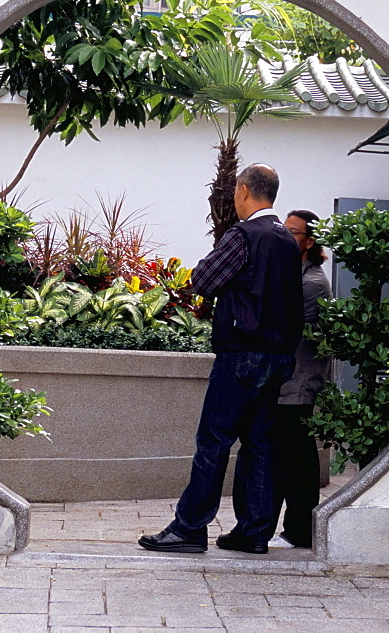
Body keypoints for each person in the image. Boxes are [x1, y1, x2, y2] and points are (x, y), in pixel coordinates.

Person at [138, 164, 304, 555]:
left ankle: (190, 528)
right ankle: (253, 531)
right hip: (278, 356)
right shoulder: (286, 239)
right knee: (259, 443)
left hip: (242, 352)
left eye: (235, 193)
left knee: (214, 440)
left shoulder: (244, 234)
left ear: (244, 191)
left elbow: (204, 279)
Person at [268, 209, 333, 549]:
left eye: (293, 233)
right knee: (291, 455)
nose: (285, 236)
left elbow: (283, 326)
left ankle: (299, 532)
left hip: (299, 383)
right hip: (288, 382)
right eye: (284, 229)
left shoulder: (312, 284)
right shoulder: (293, 274)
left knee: (298, 460)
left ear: (309, 242)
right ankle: (294, 530)